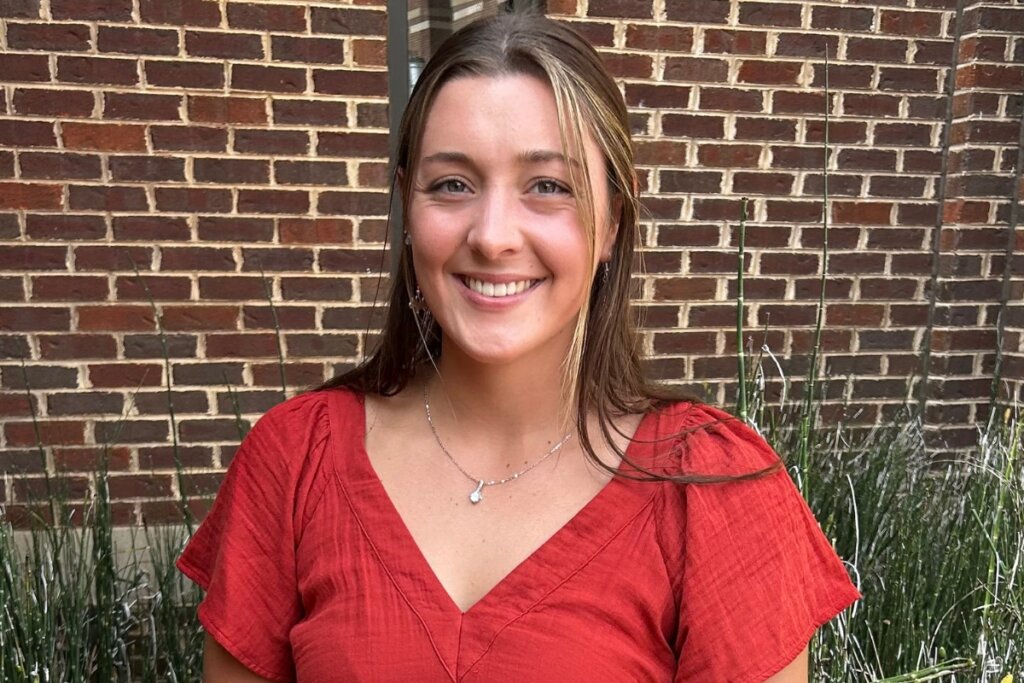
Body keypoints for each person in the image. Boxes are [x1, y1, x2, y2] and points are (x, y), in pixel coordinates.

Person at [177, 11, 860, 682]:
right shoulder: (295, 461)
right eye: (452, 184)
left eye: (548, 186)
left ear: (613, 220)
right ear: (408, 208)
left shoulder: (714, 491)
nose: (493, 235)